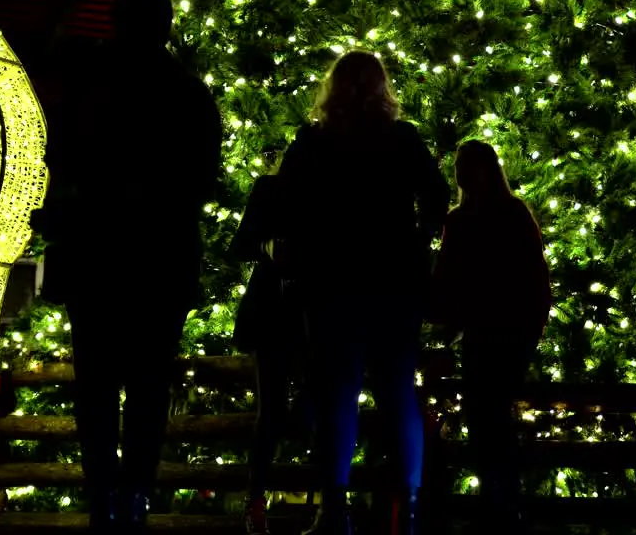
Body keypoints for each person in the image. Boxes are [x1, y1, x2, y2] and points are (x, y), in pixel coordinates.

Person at [35, 0, 222, 534]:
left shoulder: (90, 90)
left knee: (96, 384)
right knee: (146, 385)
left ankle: (103, 493)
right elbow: (201, 179)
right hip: (159, 259)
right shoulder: (187, 94)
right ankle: (133, 491)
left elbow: (61, 159)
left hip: (97, 255)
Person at [275, 51, 450, 535]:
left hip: (332, 278)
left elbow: (284, 200)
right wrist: (419, 239)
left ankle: (335, 507)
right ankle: (409, 510)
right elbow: (436, 194)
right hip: (395, 277)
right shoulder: (401, 139)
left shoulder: (315, 142)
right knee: (397, 390)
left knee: (337, 392)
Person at [430, 140, 551, 534]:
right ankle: (501, 504)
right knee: (489, 421)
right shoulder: (473, 218)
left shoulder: (497, 216)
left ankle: (500, 504)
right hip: (489, 335)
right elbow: (446, 281)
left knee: (490, 420)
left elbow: (534, 278)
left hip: (499, 334)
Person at [230, 174, 309, 535]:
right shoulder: (271, 189)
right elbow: (242, 243)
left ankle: (320, 500)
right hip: (275, 311)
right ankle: (257, 498)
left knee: (305, 406)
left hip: (313, 309)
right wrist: (268, 248)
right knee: (273, 408)